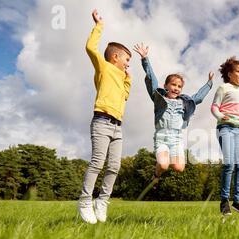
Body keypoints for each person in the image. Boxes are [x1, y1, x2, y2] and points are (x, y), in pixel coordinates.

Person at [77, 9, 132, 224]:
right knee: (98, 162)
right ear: (115, 57)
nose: (128, 63)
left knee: (114, 166)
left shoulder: (121, 75)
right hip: (101, 121)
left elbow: (125, 96)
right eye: (127, 59)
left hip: (118, 126)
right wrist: (99, 26)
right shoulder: (104, 68)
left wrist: (128, 80)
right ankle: (84, 200)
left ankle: (103, 201)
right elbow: (90, 47)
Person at [133, 43, 213, 184]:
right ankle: (156, 175)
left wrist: (209, 83)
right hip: (162, 137)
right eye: (173, 85)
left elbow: (198, 97)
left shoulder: (184, 102)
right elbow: (152, 81)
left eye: (179, 86)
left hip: (176, 139)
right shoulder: (159, 99)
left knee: (179, 167)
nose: (176, 88)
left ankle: (162, 168)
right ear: (166, 86)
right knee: (163, 165)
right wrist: (145, 59)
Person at [211, 57, 239, 216]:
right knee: (229, 164)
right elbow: (214, 107)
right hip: (225, 128)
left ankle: (238, 201)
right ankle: (224, 201)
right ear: (229, 74)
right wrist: (221, 116)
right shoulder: (224, 88)